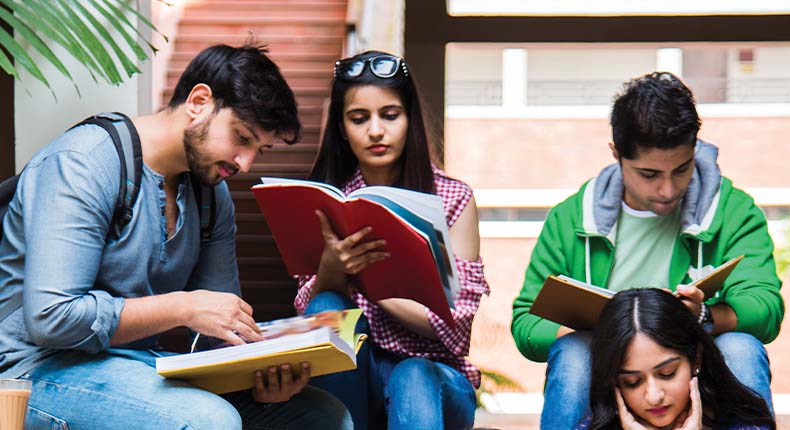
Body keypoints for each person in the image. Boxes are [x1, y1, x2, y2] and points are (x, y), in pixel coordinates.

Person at [0, 43, 351, 429]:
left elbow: (221, 327)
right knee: (209, 421)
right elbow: (52, 317)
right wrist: (183, 308)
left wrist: (262, 371)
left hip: (136, 367)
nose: (245, 162)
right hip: (34, 370)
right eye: (241, 137)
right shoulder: (84, 162)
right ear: (199, 101)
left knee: (322, 416)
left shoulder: (212, 195)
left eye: (259, 150)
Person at [511, 72, 785, 429]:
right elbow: (527, 324)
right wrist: (608, 332)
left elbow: (766, 309)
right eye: (649, 174)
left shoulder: (733, 210)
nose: (668, 189)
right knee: (575, 354)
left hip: (693, 372)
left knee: (741, 349)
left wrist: (703, 316)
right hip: (614, 374)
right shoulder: (571, 219)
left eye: (682, 169)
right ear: (616, 154)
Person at [293, 50, 489, 430]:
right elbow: (311, 314)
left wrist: (372, 284)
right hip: (355, 378)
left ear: (409, 119)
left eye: (390, 115)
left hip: (435, 380)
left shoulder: (452, 198)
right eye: (359, 118)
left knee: (412, 374)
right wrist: (333, 269)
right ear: (341, 127)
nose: (376, 131)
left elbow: (456, 324)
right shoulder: (328, 201)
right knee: (329, 302)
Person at [582, 288, 775, 430]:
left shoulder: (745, 424)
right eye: (632, 382)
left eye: (667, 373)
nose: (654, 396)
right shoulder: (590, 426)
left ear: (696, 359)